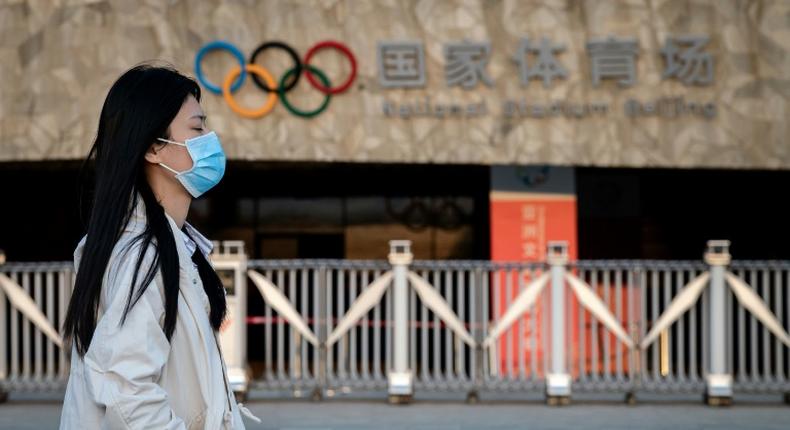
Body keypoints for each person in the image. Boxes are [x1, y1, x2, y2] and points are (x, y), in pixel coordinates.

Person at [59, 62, 259, 429]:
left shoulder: (176, 248)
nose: (209, 140)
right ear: (154, 148)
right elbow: (125, 392)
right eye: (197, 128)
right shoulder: (141, 256)